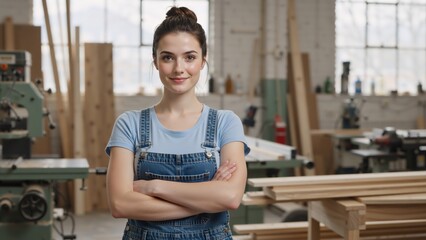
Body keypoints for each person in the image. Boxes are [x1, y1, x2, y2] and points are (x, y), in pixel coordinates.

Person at [105, 6, 250, 240]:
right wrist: (207, 200)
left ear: (203, 60)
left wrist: (154, 187)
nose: (179, 68)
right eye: (167, 57)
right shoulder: (128, 124)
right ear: (155, 61)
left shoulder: (226, 123)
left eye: (190, 57)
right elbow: (120, 204)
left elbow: (231, 197)